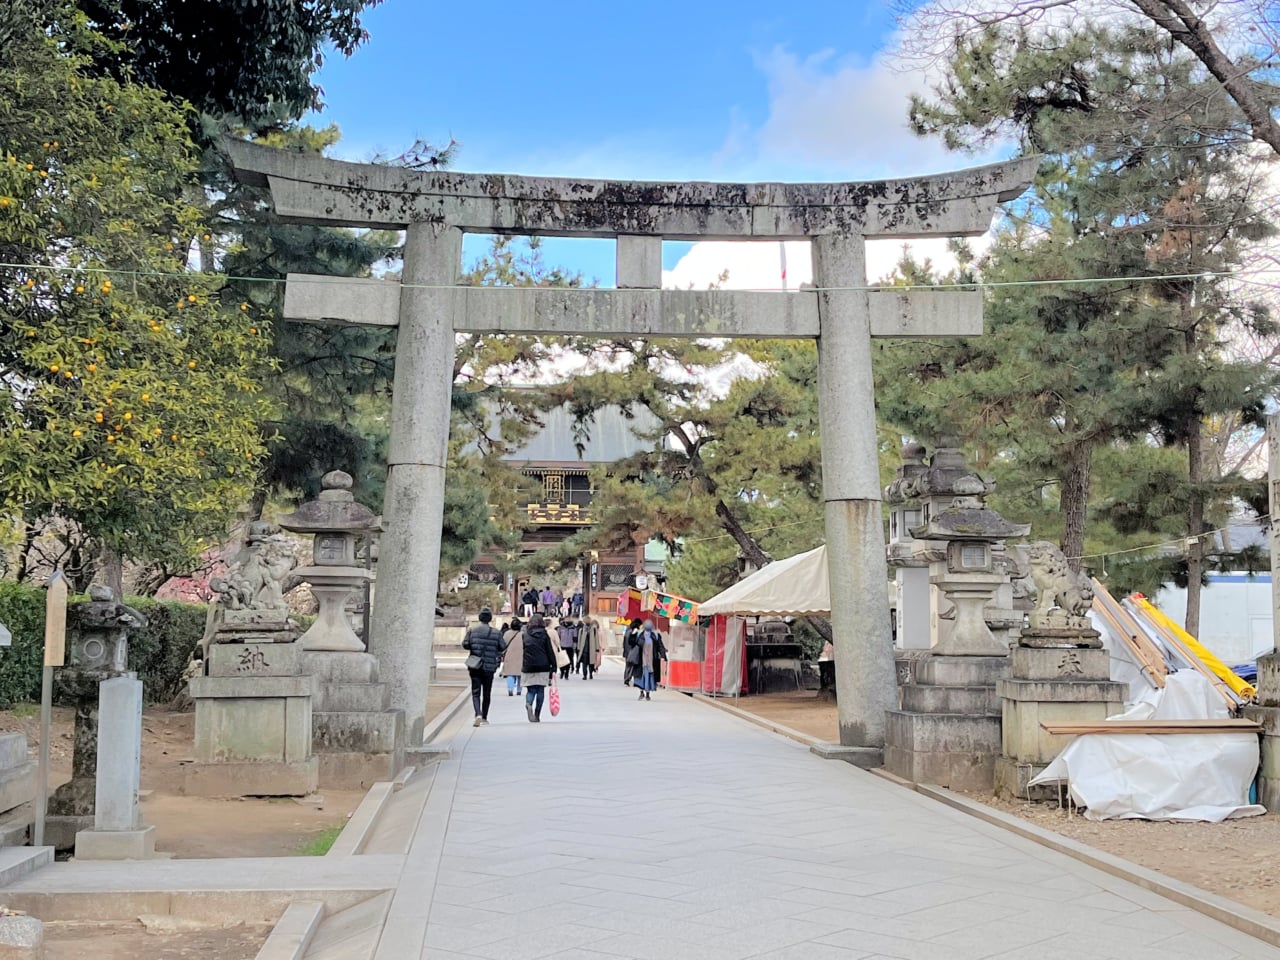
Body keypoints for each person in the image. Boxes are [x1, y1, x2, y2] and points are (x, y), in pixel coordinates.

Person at [462, 608, 506, 726]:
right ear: (490, 619)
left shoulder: (472, 631)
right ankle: (485, 716)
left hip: (475, 664)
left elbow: (465, 644)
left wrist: (474, 646)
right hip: (489, 665)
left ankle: (478, 714)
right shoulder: (496, 633)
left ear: (479, 618)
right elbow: (502, 646)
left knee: (475, 691)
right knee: (487, 692)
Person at [521, 613, 559, 723]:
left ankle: (528, 704)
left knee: (531, 689)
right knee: (540, 690)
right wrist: (554, 665)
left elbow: (524, 649)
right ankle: (537, 714)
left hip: (529, 665)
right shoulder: (544, 634)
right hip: (543, 665)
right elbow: (549, 651)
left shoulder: (525, 634)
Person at [633, 618, 667, 701]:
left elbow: (660, 646)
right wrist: (632, 634)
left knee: (648, 677)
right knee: (641, 677)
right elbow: (632, 643)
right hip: (641, 660)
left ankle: (647, 693)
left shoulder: (655, 636)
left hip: (651, 660)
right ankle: (642, 692)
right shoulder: (639, 635)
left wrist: (663, 656)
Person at [501, 617, 524, 696]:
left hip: (509, 655)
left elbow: (503, 645)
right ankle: (519, 690)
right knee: (520, 674)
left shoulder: (507, 634)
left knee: (510, 673)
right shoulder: (523, 634)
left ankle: (510, 689)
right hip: (521, 655)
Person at [622, 618, 643, 686]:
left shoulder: (627, 630)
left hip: (627, 651)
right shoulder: (634, 632)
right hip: (632, 651)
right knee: (632, 666)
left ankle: (626, 679)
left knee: (628, 666)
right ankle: (629, 679)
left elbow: (624, 642)